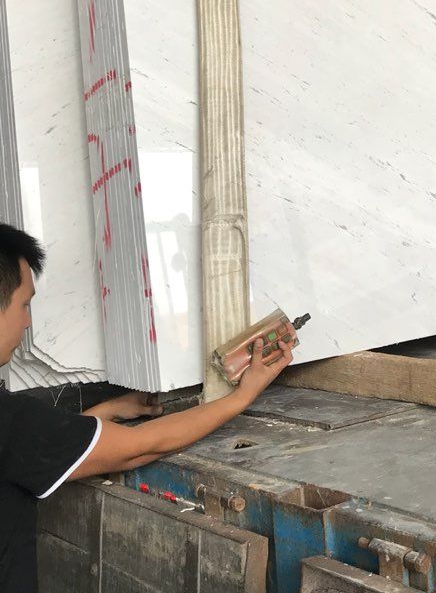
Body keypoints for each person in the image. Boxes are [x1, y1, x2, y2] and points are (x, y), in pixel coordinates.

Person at [0, 222, 295, 592]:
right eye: (24, 305)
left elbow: (32, 444)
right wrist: (240, 397)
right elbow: (138, 448)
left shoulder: (17, 429)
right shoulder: (14, 424)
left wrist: (105, 412)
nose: (28, 322)